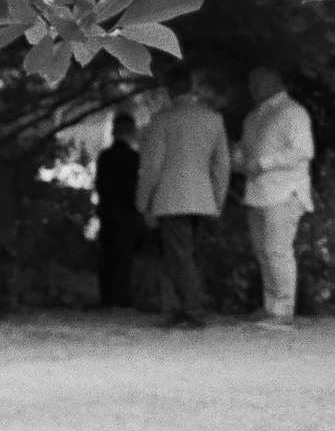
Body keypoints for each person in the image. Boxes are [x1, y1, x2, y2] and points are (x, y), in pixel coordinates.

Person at [135, 68, 232, 329]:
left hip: (171, 196)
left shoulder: (163, 119)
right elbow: (222, 165)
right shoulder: (213, 119)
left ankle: (192, 310)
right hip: (203, 196)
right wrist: (218, 200)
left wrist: (143, 202)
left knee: (179, 255)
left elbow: (152, 166)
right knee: (190, 254)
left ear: (169, 90)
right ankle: (188, 306)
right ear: (193, 87)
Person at [238, 66, 315, 330]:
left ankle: (283, 310)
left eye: (256, 81)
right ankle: (271, 307)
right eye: (250, 82)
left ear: (275, 81)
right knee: (263, 252)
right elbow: (246, 153)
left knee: (277, 251)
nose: (251, 87)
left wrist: (262, 163)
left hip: (284, 191)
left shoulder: (293, 112)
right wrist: (237, 160)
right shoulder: (251, 118)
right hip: (257, 192)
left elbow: (303, 151)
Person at [93, 113, 142, 310]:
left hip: (107, 209)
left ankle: (107, 296)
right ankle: (121, 296)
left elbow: (99, 184)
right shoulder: (133, 158)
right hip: (127, 211)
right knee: (124, 256)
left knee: (107, 254)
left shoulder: (105, 156)